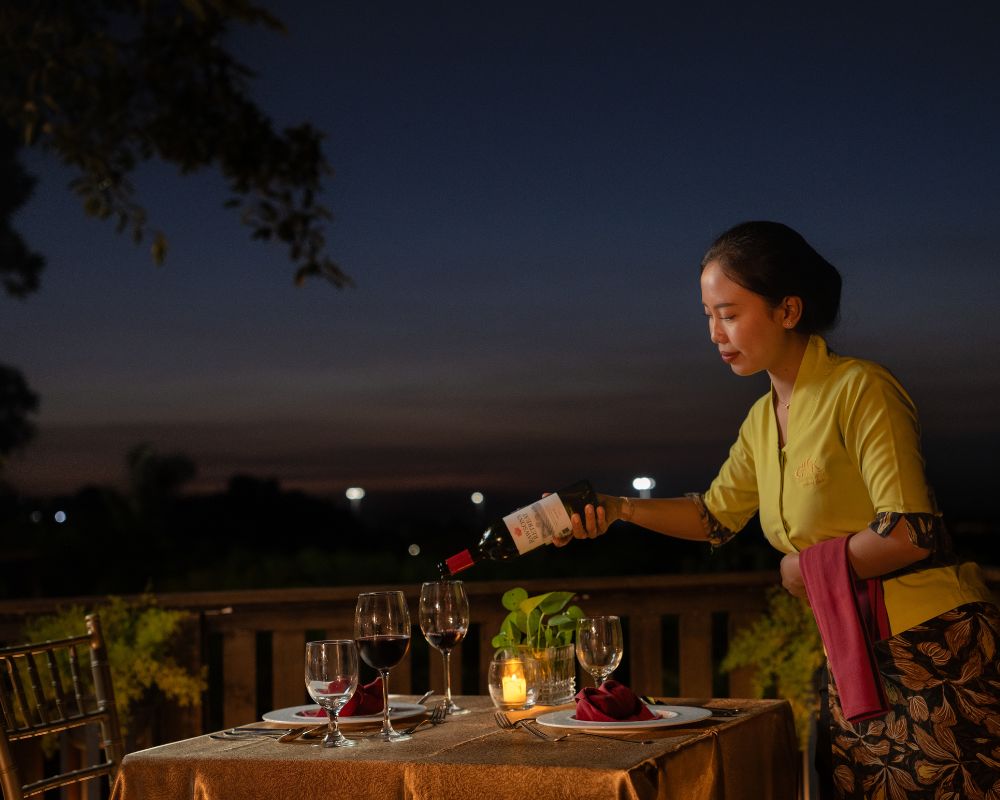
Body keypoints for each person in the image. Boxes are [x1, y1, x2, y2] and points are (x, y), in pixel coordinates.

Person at [557, 221, 1000, 799]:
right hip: (853, 656)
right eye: (708, 316)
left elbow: (909, 533)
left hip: (936, 652)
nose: (716, 333)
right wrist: (619, 509)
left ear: (788, 309)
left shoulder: (860, 388)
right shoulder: (762, 423)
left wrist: (801, 569)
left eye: (730, 313)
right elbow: (715, 516)